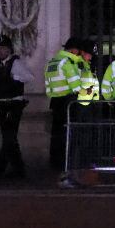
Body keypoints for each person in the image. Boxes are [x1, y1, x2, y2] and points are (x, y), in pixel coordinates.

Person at [0, 34, 33, 178]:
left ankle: (3, 168)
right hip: (3, 105)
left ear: (9, 49)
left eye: (3, 48)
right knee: (9, 137)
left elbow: (29, 77)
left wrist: (14, 77)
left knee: (9, 137)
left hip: (14, 104)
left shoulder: (15, 63)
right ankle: (15, 168)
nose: (0, 51)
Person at [44, 37, 86, 171]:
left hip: (55, 102)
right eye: (78, 51)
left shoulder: (52, 61)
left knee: (56, 135)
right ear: (74, 50)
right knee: (67, 134)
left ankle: (55, 163)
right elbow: (76, 86)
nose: (78, 54)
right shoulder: (68, 63)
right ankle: (65, 164)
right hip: (67, 103)